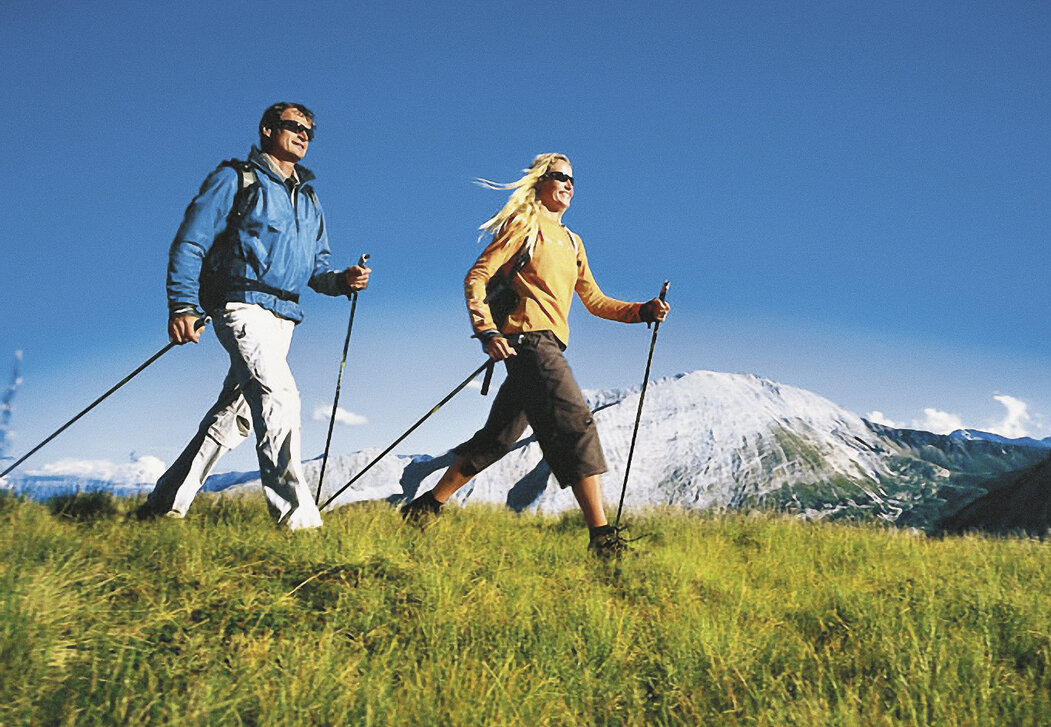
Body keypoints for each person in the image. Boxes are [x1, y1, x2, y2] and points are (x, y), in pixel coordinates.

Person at [401, 153, 669, 557]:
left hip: (546, 344)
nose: (568, 185)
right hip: (528, 342)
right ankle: (602, 539)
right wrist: (486, 329)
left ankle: (424, 508)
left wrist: (642, 311)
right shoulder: (524, 227)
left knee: (498, 439)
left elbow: (594, 301)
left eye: (573, 180)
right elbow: (477, 276)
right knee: (576, 424)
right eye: (559, 177)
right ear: (540, 181)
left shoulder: (573, 242)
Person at [137, 102, 370, 530]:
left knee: (235, 417)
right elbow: (190, 242)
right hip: (240, 307)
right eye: (293, 127)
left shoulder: (310, 198)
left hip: (285, 318)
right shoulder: (235, 179)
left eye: (309, 131)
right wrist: (183, 306)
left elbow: (317, 269)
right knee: (279, 398)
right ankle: (297, 524)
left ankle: (163, 506)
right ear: (267, 130)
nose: (302, 135)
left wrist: (344, 280)